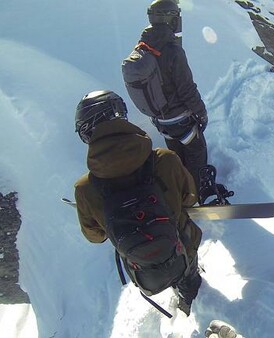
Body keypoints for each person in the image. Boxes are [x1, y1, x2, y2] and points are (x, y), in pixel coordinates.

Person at [73, 90, 202, 315]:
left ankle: (174, 287)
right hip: (181, 246)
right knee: (184, 266)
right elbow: (190, 197)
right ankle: (190, 292)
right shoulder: (165, 159)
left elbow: (95, 236)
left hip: (142, 267)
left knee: (159, 262)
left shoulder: (84, 189)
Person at [134, 0, 230, 204]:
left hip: (161, 120)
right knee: (196, 152)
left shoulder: (143, 47)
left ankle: (176, 190)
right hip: (180, 119)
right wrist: (201, 113)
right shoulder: (172, 50)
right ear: (169, 18)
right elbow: (186, 88)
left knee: (175, 158)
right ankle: (196, 194)